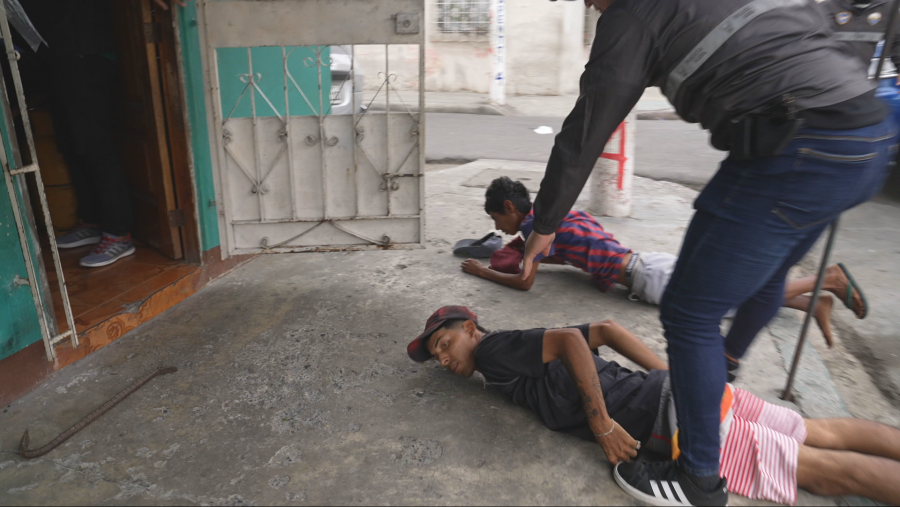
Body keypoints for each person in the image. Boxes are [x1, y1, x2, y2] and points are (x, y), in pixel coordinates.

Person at [519, 0, 898, 502]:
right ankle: (722, 374)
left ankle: (699, 476)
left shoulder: (632, 16)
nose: (588, 4)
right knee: (767, 278)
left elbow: (590, 124)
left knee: (687, 312)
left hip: (795, 146)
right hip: (864, 134)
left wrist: (545, 223)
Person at [406, 306, 900, 505]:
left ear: (471, 329)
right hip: (685, 395)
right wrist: (669, 373)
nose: (444, 358)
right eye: (436, 357)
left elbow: (571, 343)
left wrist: (602, 425)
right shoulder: (507, 364)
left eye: (445, 343)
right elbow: (603, 331)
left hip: (677, 427)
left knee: (827, 472)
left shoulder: (495, 350)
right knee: (818, 434)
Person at [462, 177, 868, 379]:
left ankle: (826, 279)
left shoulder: (534, 231)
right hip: (645, 263)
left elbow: (525, 282)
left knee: (730, 298)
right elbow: (568, 253)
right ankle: (812, 302)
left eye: (497, 217)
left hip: (647, 278)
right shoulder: (553, 213)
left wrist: (483, 271)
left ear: (511, 207)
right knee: (736, 300)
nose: (500, 226)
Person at [24, 0, 185, 268]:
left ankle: (117, 233)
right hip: (56, 54)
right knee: (70, 145)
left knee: (96, 145)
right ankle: (91, 221)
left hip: (87, 54)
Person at [817, 0, 900, 74]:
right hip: (828, 77)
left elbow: (897, 40)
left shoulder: (887, 7)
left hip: (861, 77)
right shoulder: (827, 7)